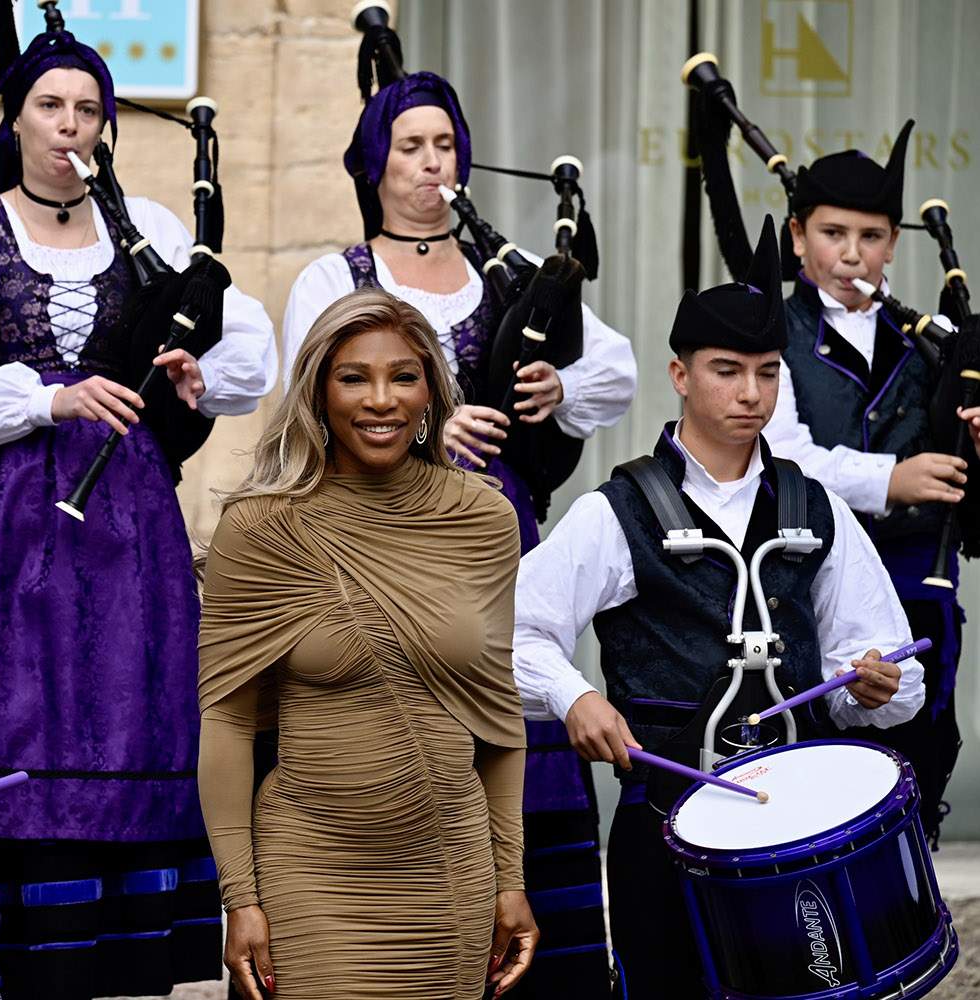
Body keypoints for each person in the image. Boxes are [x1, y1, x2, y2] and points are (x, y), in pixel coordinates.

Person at [0, 7, 277, 998]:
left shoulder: (148, 229)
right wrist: (48, 398)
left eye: (88, 109)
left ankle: (117, 961)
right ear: (15, 118)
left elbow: (248, 343)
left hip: (127, 527)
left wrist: (199, 372)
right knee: (5, 715)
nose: (69, 125)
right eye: (49, 105)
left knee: (125, 716)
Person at [280, 67, 633, 994]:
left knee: (506, 733)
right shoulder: (335, 278)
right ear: (375, 163)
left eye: (444, 145)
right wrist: (428, 428)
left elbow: (618, 370)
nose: (431, 163)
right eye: (411, 147)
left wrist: (559, 386)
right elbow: (306, 405)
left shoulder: (502, 273)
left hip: (494, 544)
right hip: (375, 542)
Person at [512, 218, 924, 999]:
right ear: (680, 373)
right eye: (727, 371)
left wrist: (871, 682)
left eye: (768, 373)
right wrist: (574, 696)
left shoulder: (818, 508)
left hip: (801, 830)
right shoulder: (618, 511)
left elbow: (889, 669)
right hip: (666, 824)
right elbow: (508, 635)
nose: (750, 394)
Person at [198, 288, 536, 999]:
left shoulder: (484, 518)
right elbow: (226, 721)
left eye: (403, 376)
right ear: (319, 393)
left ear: (430, 392)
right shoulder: (261, 528)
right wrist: (240, 898)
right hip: (310, 871)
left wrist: (510, 879)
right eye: (354, 378)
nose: (381, 400)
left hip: (451, 874)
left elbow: (500, 720)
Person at [760, 122, 970, 845]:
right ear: (798, 238)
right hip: (806, 576)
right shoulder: (774, 333)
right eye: (833, 233)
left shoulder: (934, 340)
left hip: (918, 579)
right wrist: (893, 479)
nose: (852, 254)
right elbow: (785, 454)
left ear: (894, 244)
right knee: (820, 759)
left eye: (872, 236)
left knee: (917, 754)